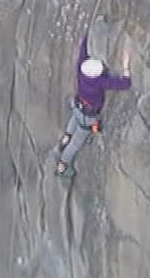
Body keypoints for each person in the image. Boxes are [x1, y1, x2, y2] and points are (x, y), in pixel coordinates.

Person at [54, 33, 132, 178]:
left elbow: (82, 52)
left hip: (77, 105)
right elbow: (125, 84)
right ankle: (62, 166)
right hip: (88, 116)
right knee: (76, 143)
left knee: (75, 119)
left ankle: (65, 139)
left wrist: (86, 36)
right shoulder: (100, 82)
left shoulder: (80, 71)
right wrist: (126, 65)